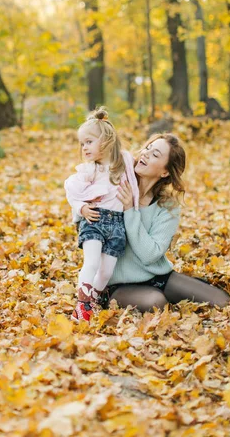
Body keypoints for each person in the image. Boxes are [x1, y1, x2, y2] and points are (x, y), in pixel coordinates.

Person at [100, 132, 230, 312]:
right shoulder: (116, 187)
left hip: (157, 276)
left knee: (223, 301)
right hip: (119, 283)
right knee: (157, 303)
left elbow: (150, 255)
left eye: (155, 154)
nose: (145, 154)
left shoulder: (168, 205)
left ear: (165, 171)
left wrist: (130, 210)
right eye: (148, 148)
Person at [64, 108, 140, 322]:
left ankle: (93, 300)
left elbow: (135, 183)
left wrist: (135, 209)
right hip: (95, 220)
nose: (84, 147)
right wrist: (81, 208)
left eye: (89, 142)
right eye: (82, 144)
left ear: (105, 141)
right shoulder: (90, 170)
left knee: (106, 272)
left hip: (117, 225)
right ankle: (82, 306)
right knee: (92, 263)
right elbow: (71, 189)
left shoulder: (124, 160)